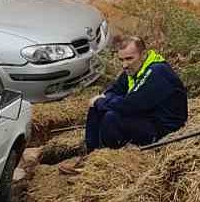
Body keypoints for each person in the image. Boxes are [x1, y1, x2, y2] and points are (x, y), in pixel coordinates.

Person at [60, 36, 187, 174]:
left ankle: (105, 165)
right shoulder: (133, 69)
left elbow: (130, 105)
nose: (124, 65)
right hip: (145, 117)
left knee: (111, 117)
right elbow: (112, 91)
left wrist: (102, 101)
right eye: (121, 60)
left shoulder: (157, 72)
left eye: (129, 58)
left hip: (163, 128)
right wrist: (102, 101)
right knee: (95, 108)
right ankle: (90, 158)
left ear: (143, 55)